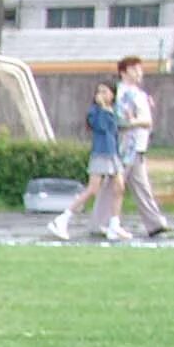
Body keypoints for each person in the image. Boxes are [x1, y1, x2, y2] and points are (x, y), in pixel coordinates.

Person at [47, 81, 131, 242]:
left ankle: (115, 224)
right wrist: (103, 110)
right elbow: (102, 126)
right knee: (92, 189)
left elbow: (117, 128)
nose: (101, 95)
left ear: (113, 94)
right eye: (99, 91)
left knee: (119, 187)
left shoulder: (114, 111)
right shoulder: (95, 111)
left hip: (113, 154)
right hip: (100, 154)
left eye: (105, 91)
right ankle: (63, 218)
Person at [113, 56, 171, 238]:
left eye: (140, 69)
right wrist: (140, 122)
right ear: (123, 72)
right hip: (127, 147)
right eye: (134, 69)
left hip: (137, 146)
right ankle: (101, 223)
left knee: (140, 186)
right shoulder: (122, 93)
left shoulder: (138, 93)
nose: (139, 73)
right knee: (113, 187)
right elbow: (123, 120)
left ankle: (155, 223)